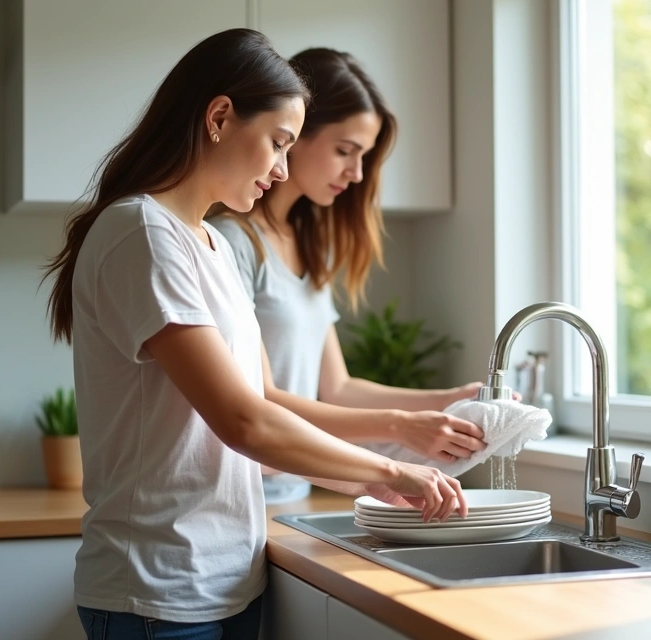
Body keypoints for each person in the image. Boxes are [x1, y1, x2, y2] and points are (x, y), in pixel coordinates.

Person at [42, 29, 466, 640]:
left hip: (224, 581)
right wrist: (395, 470)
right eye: (278, 142)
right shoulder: (141, 231)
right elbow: (245, 421)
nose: (283, 168)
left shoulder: (209, 245)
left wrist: (369, 479)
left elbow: (260, 405)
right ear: (219, 117)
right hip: (157, 591)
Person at [208, 49, 491, 454]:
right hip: (248, 490)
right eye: (345, 150)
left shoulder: (310, 249)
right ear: (295, 133)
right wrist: (402, 426)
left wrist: (452, 399)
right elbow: (260, 398)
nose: (357, 173)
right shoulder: (233, 243)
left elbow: (337, 388)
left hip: (296, 487)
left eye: (364, 156)